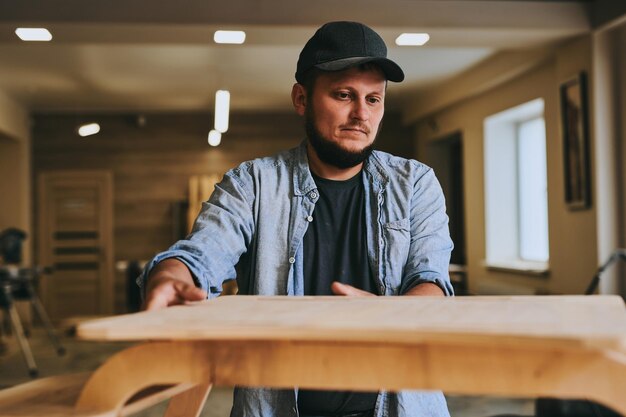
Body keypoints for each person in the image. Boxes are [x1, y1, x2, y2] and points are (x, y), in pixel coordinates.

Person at [139, 21, 453, 417]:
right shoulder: (253, 183)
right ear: (301, 99)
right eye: (344, 95)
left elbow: (431, 280)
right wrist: (171, 277)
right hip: (277, 407)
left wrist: (391, 314)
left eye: (374, 99)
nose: (361, 114)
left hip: (400, 405)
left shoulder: (415, 183)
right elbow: (201, 254)